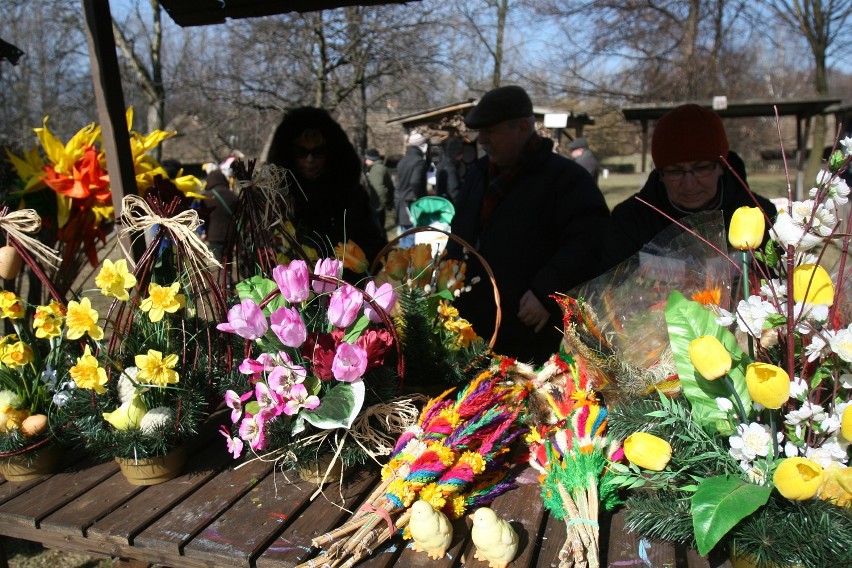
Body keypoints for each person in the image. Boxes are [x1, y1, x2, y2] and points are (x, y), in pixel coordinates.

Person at [450, 85, 610, 364]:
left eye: (491, 131)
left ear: (523, 127)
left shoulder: (565, 180)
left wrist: (547, 290)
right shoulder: (478, 175)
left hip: (528, 333)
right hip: (470, 325)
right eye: (480, 131)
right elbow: (460, 235)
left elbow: (588, 241)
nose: (482, 139)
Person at [600, 104, 777, 272]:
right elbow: (610, 287)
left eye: (701, 168)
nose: (689, 184)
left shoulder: (760, 215)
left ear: (721, 166)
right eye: (675, 171)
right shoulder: (630, 221)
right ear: (660, 173)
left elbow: (777, 282)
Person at [265, 107, 387, 265]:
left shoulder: (350, 195)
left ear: (330, 153)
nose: (310, 159)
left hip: (345, 284)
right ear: (290, 154)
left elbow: (372, 243)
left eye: (318, 151)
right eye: (302, 152)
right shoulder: (277, 199)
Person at [393, 131, 428, 247]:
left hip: (401, 204)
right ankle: (409, 265)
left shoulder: (402, 161)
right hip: (412, 205)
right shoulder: (419, 162)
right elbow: (415, 181)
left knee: (404, 237)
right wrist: (420, 197)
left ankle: (402, 263)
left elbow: (398, 184)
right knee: (412, 239)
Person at [200, 169, 239, 262]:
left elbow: (203, 217)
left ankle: (225, 275)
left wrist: (204, 231)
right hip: (231, 234)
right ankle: (228, 274)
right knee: (228, 259)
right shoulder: (233, 195)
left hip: (213, 235)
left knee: (219, 261)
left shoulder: (206, 197)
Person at [364, 148, 395, 232]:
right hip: (379, 205)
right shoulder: (381, 167)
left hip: (376, 206)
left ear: (372, 159)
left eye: (367, 159)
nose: (365, 161)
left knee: (377, 229)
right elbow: (390, 186)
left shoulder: (376, 170)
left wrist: (377, 206)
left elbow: (379, 189)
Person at [436, 135, 465, 203]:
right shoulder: (450, 168)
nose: (462, 157)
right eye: (461, 153)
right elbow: (453, 190)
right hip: (450, 205)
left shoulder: (443, 163)